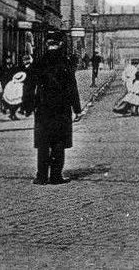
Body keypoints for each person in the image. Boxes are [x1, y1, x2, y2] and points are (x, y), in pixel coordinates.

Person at [24, 31, 83, 185]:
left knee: (43, 143)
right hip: (61, 109)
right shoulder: (66, 63)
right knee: (59, 142)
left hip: (43, 108)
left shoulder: (38, 62)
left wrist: (28, 107)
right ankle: (56, 176)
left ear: (47, 44)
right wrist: (77, 109)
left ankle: (41, 176)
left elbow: (29, 86)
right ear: (60, 44)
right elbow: (72, 88)